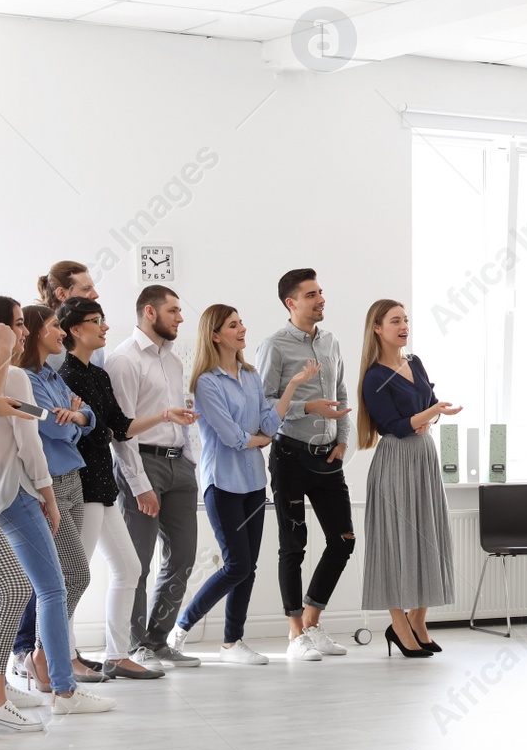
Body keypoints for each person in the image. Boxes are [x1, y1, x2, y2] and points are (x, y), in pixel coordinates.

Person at [0, 297, 114, 729]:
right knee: (52, 588)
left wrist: (72, 414)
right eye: (18, 325)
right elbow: (33, 440)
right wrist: (48, 496)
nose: (23, 332)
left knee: (1, 589)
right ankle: (64, 690)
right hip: (19, 489)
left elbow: (33, 416)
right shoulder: (12, 375)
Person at [167, 306, 316, 665]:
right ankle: (181, 627)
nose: (242, 329)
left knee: (248, 567)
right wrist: (258, 439)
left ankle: (232, 643)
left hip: (252, 482)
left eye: (241, 323)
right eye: (233, 325)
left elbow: (268, 421)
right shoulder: (205, 382)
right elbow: (232, 437)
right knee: (236, 565)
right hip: (222, 483)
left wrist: (293, 385)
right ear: (215, 335)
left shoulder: (250, 375)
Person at [55, 299, 195, 675]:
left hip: (103, 487)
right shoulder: (66, 375)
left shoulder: (98, 376)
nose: (104, 326)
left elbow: (120, 426)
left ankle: (117, 656)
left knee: (129, 569)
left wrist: (165, 414)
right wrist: (91, 423)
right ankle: (61, 659)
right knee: (75, 575)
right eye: (95, 321)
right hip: (80, 485)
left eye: (103, 319)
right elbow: (78, 431)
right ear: (74, 330)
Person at [254, 269, 355, 662]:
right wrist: (307, 407)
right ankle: (295, 633)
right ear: (290, 303)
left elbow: (341, 392)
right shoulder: (274, 346)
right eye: (312, 294)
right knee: (293, 546)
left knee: (343, 541)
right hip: (290, 456)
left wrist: (343, 438)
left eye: (321, 292)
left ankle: (312, 621)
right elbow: (264, 406)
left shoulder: (330, 342)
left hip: (328, 456)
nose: (321, 299)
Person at [11, 305, 113, 685]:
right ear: (39, 333)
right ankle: (43, 654)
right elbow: (52, 428)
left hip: (73, 478)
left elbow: (89, 418)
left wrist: (78, 418)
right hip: (47, 484)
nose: (61, 333)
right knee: (71, 574)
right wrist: (73, 422)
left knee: (67, 575)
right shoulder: (24, 378)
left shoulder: (51, 374)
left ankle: (44, 655)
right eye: (55, 327)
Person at [357, 301, 461, 658]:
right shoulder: (374, 376)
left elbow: (428, 402)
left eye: (406, 320)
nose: (404, 326)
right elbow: (395, 426)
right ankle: (398, 624)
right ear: (377, 328)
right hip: (397, 460)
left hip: (424, 457)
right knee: (395, 541)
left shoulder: (413, 362)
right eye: (396, 321)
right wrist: (430, 413)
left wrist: (431, 413)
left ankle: (418, 620)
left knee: (429, 535)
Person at [110, 286, 200, 669]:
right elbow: (121, 430)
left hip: (179, 464)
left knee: (182, 556)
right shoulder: (123, 360)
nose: (181, 317)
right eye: (174, 310)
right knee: (138, 562)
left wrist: (189, 460)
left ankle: (159, 639)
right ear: (150, 312)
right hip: (142, 464)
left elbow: (179, 414)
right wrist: (140, 483)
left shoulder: (174, 361)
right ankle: (136, 645)